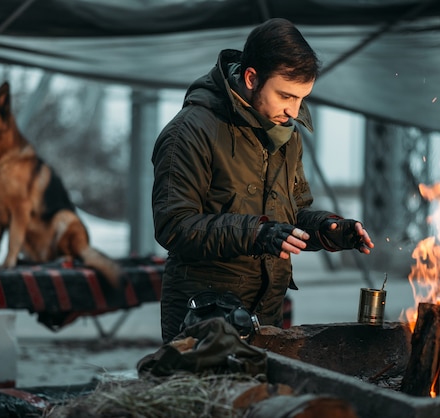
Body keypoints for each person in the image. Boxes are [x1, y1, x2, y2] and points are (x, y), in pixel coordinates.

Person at [151, 18, 374, 343]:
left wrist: (328, 230)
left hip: (267, 312)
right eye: (285, 96)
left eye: (301, 98)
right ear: (252, 78)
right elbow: (174, 226)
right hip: (202, 315)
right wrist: (257, 233)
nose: (294, 112)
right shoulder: (190, 132)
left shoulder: (286, 135)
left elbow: (290, 218)